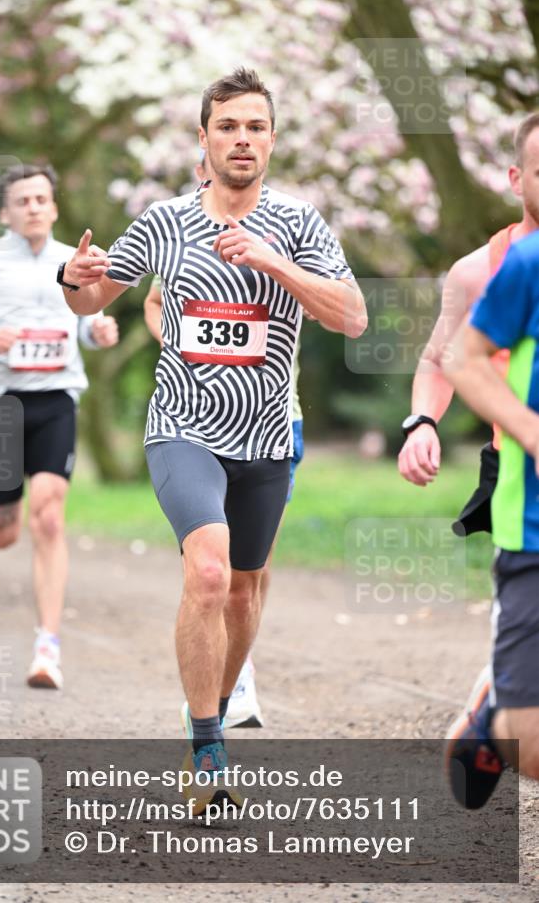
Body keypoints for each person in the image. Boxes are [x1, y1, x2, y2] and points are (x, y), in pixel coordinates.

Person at [60, 67, 367, 802]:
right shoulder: (165, 222)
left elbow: (351, 316)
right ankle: (206, 754)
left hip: (264, 437)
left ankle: (214, 713)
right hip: (183, 428)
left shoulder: (297, 224)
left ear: (271, 139)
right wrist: (74, 278)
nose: (241, 139)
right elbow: (93, 294)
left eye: (254, 126)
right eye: (227, 126)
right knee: (206, 572)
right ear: (203, 138)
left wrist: (272, 262)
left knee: (241, 591)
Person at [0, 165, 118, 690]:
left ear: (54, 208)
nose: (33, 206)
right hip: (0, 402)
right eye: (22, 200)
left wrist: (99, 332)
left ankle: (47, 647)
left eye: (41, 198)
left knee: (50, 517)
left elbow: (85, 325)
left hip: (56, 396)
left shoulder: (72, 261)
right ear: (5, 212)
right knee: (6, 531)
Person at [144, 275, 305, 732]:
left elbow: (345, 312)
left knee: (251, 574)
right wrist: (182, 343)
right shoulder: (184, 233)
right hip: (194, 423)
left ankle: (238, 666)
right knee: (210, 568)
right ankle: (213, 710)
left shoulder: (290, 233)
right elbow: (153, 303)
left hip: (274, 423)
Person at [398, 112, 539, 538]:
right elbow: (441, 360)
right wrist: (422, 423)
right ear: (517, 179)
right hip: (517, 469)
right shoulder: (477, 272)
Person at [443, 228, 539, 808]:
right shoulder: (522, 261)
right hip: (529, 511)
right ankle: (497, 718)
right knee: (531, 744)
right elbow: (454, 357)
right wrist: (421, 424)